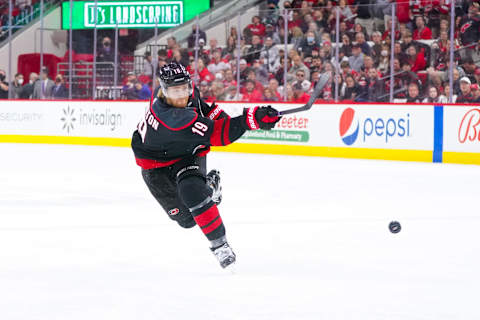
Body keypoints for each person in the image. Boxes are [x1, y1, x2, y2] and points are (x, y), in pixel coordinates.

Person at [131, 62, 281, 268]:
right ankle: (210, 188)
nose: (182, 95)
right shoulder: (173, 118)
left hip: (186, 154)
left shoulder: (182, 96)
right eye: (175, 91)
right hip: (155, 168)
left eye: (185, 88)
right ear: (164, 92)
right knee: (187, 221)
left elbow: (206, 110)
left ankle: (220, 245)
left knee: (192, 192)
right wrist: (250, 120)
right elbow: (218, 134)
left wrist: (232, 121)